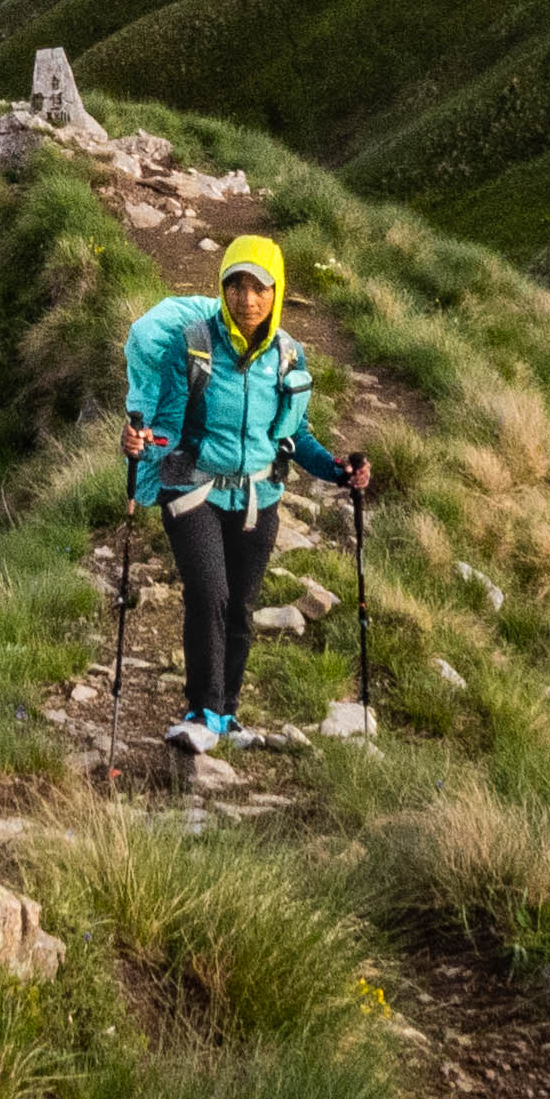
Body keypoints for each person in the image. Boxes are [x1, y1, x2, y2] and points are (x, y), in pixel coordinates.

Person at [122, 233, 370, 754]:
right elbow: (167, 424)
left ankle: (226, 715)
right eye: (236, 285)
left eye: (259, 288)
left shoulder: (287, 356)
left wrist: (338, 469)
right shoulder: (192, 344)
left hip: (259, 499)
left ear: (276, 293)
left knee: (240, 605)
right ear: (222, 288)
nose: (247, 299)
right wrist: (143, 443)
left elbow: (293, 435)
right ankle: (200, 711)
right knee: (209, 593)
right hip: (192, 491)